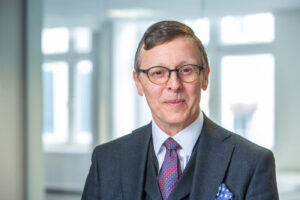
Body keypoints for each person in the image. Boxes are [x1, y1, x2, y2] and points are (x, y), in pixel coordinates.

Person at [82, 20, 279, 200]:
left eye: (186, 70)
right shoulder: (106, 160)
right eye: (158, 73)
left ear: (205, 77)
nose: (174, 85)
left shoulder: (252, 163)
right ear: (138, 82)